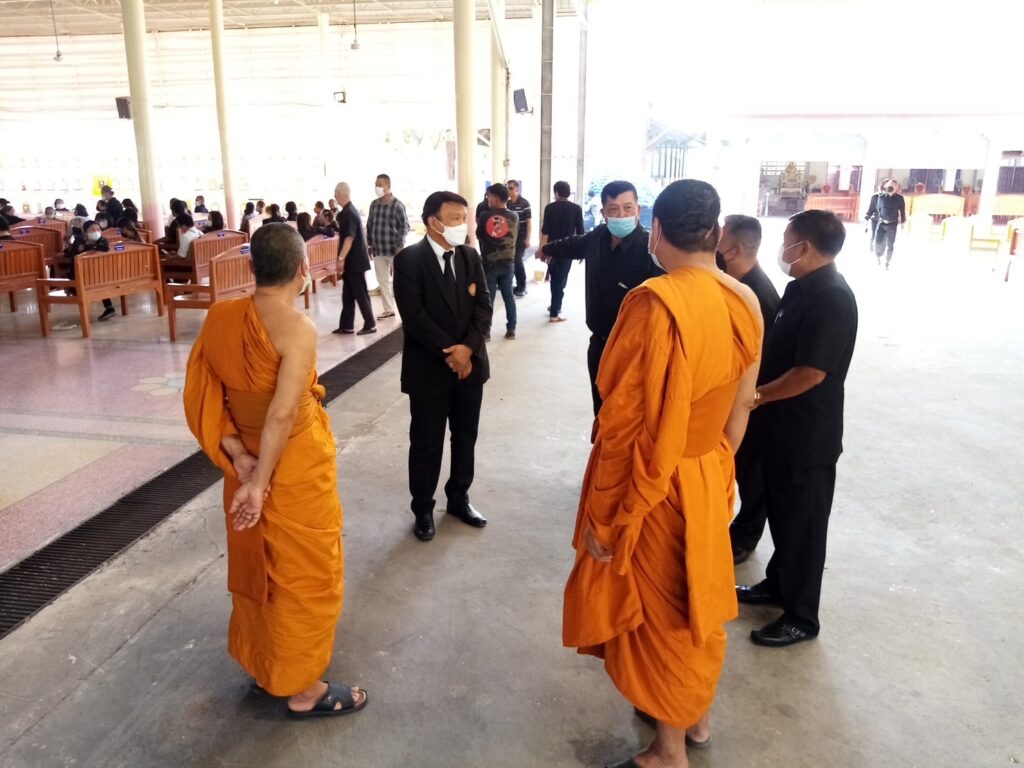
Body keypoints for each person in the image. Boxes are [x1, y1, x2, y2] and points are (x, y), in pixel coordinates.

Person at [563, 180, 762, 768]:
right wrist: (716, 468)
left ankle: (667, 751)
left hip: (658, 483)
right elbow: (742, 406)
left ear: (655, 231)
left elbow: (622, 427)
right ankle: (695, 719)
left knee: (666, 611)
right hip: (708, 468)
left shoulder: (652, 304)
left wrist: (607, 515)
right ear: (716, 234)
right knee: (699, 594)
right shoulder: (744, 299)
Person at [183, 223, 368, 720]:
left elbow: (205, 395)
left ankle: (267, 664)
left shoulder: (220, 316)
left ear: (252, 268)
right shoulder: (296, 328)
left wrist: (239, 459)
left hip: (244, 460)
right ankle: (303, 688)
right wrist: (261, 484)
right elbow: (282, 416)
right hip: (290, 468)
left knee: (260, 568)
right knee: (304, 575)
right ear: (303, 269)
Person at [737, 209, 858, 648]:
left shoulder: (832, 298)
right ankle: (777, 587)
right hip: (781, 432)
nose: (782, 248)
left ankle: (802, 617)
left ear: (802, 247)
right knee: (785, 520)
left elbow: (810, 373)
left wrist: (756, 396)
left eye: (786, 240)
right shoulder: (799, 288)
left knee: (804, 530)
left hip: (807, 438)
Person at [393, 191, 493, 542]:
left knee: (465, 437)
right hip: (429, 370)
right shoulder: (409, 260)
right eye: (454, 218)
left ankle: (459, 498)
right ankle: (422, 507)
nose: (462, 225)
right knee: (426, 442)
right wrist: (451, 354)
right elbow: (414, 316)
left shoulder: (469, 256)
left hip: (470, 367)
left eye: (464, 218)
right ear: (433, 222)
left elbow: (484, 306)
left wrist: (468, 349)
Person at [537, 180, 661, 415]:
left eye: (628, 208)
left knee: (627, 418)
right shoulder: (597, 237)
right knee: (601, 411)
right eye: (614, 209)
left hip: (635, 353)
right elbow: (572, 244)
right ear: (604, 213)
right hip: (600, 346)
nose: (621, 215)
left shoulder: (651, 251)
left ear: (638, 210)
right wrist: (546, 249)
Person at [716, 215, 781, 565]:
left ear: (735, 250)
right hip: (736, 395)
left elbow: (759, 358)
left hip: (753, 400)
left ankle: (746, 534)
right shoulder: (737, 284)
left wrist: (750, 399)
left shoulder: (756, 295)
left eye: (719, 241)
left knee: (751, 470)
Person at [330, 182, 376, 336]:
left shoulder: (349, 212)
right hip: (353, 261)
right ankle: (346, 325)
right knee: (348, 294)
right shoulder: (348, 211)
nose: (335, 196)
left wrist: (340, 258)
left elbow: (349, 238)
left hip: (355, 261)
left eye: (335, 193)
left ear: (340, 194)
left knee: (360, 293)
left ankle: (370, 324)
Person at [476, 183, 519, 340]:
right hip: (508, 262)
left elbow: (479, 234)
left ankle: (486, 331)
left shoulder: (485, 216)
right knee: (509, 296)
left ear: (495, 198)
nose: (488, 199)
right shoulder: (514, 216)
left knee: (489, 299)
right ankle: (511, 329)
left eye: (489, 196)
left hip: (490, 263)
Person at [366, 173, 410, 322]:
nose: (377, 187)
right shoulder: (374, 205)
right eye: (376, 184)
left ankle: (406, 309)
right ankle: (388, 309)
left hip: (394, 251)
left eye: (380, 184)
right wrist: (369, 244)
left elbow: (405, 226)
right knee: (382, 281)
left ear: (388, 186)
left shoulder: (397, 205)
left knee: (400, 282)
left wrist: (399, 246)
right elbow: (370, 225)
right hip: (378, 250)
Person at [539, 180, 585, 322]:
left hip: (552, 249)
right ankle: (554, 313)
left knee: (555, 278)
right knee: (560, 280)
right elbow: (580, 231)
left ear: (556, 192)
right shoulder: (576, 208)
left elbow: (545, 231)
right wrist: (581, 251)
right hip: (568, 249)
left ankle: (555, 305)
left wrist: (542, 249)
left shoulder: (550, 208)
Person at [67, 219, 117, 321]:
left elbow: (105, 247)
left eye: (98, 229)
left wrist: (89, 246)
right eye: (93, 229)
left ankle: (109, 308)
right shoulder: (79, 239)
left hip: (93, 276)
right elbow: (75, 253)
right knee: (100, 281)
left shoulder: (101, 240)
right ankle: (109, 308)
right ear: (85, 232)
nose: (96, 231)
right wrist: (92, 246)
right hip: (81, 274)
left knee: (99, 280)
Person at [870, 181, 906, 269]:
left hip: (892, 224)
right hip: (881, 223)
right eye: (889, 186)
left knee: (890, 244)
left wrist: (902, 222)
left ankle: (887, 261)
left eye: (893, 186)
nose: (891, 187)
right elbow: (879, 208)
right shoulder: (881, 197)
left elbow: (902, 211)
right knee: (878, 241)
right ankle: (878, 256)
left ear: (896, 188)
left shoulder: (900, 198)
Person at [506, 179, 532, 297]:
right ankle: (515, 285)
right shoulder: (507, 203)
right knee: (511, 260)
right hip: (510, 236)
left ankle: (522, 285)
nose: (508, 190)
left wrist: (528, 238)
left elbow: (529, 222)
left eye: (510, 188)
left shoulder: (524, 203)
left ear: (517, 189)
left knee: (517, 259)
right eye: (507, 188)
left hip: (521, 236)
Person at [863, 180, 887, 252]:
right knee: (874, 236)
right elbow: (871, 209)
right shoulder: (875, 197)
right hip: (876, 220)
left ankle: (880, 253)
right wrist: (866, 218)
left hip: (886, 221)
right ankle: (873, 251)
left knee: (884, 238)